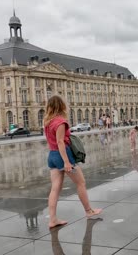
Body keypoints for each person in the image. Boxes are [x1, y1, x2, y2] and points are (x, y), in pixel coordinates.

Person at [43, 95, 101, 228]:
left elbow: (52, 142)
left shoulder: (47, 122)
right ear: (61, 106)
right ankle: (89, 211)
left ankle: (52, 219)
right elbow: (60, 142)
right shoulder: (60, 122)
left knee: (55, 189)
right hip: (62, 156)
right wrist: (66, 162)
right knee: (81, 183)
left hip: (52, 155)